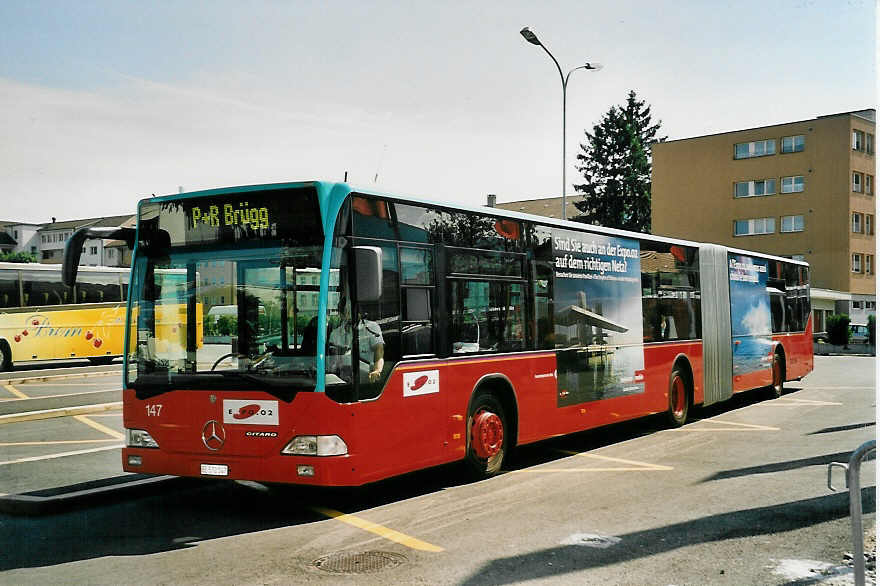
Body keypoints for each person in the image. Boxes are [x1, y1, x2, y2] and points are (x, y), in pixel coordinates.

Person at [328, 296, 384, 383]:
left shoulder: (371, 327)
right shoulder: (335, 334)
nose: (349, 315)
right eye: (346, 312)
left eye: (352, 311)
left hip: (365, 378)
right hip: (342, 379)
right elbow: (333, 359)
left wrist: (377, 370)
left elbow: (379, 349)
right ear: (341, 314)